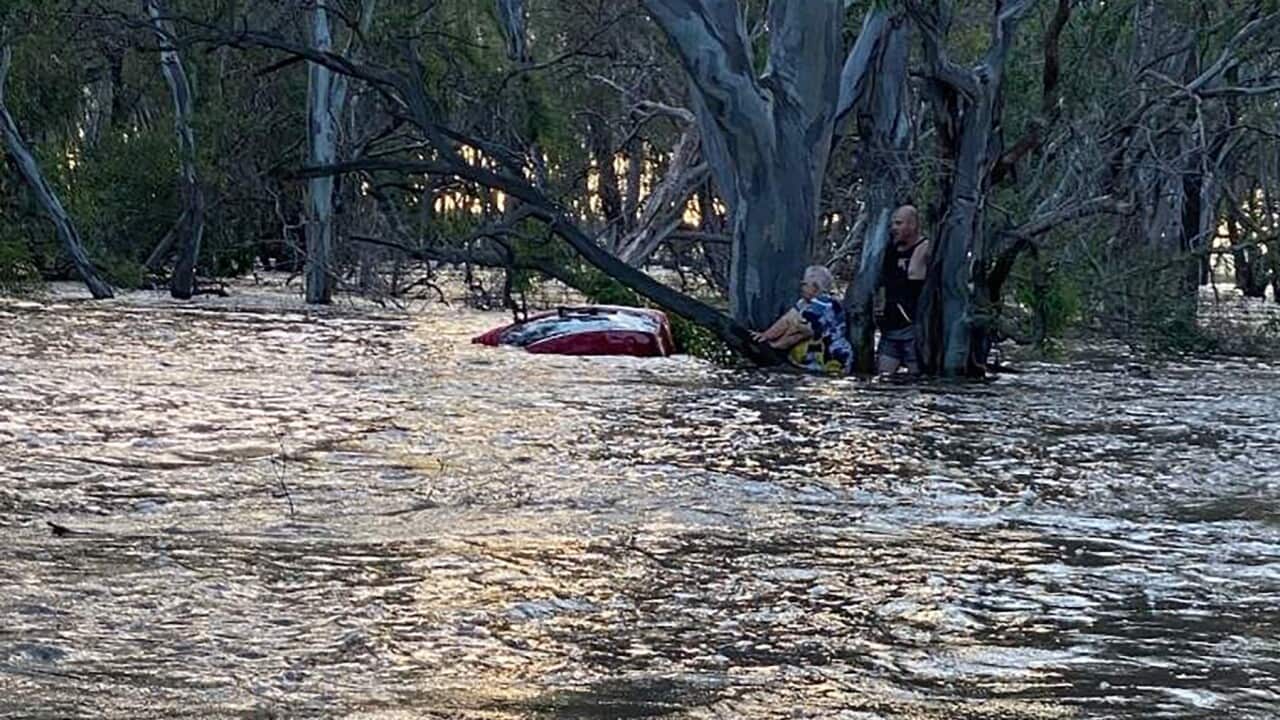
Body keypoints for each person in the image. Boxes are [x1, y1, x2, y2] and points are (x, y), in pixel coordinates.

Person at [751, 265, 853, 375]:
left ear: (815, 287)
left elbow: (802, 330)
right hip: (811, 358)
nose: (801, 287)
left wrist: (775, 346)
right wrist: (765, 336)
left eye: (805, 284)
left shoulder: (825, 303)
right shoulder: (803, 303)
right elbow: (787, 319)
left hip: (832, 358)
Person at [876, 205, 930, 375]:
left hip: (913, 329)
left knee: (916, 378)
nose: (894, 228)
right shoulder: (890, 250)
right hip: (890, 328)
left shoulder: (925, 247)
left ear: (912, 225)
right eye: (893, 224)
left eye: (899, 223)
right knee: (883, 376)